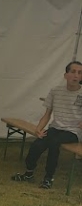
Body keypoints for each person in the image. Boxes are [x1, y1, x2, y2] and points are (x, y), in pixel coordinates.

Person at [11, 61, 82, 189]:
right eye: (73, 72)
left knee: (54, 143)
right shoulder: (55, 91)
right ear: (66, 75)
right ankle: (29, 173)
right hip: (55, 128)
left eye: (79, 73)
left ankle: (48, 178)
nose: (76, 75)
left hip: (73, 131)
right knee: (38, 143)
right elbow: (47, 114)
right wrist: (38, 129)